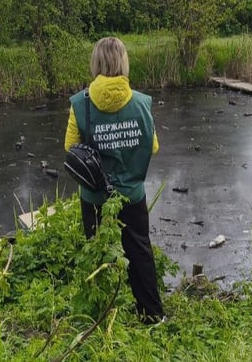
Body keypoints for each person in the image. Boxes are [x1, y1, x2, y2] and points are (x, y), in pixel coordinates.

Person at [64, 36, 165, 324]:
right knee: (140, 253)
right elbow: (153, 146)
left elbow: (70, 148)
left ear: (95, 63)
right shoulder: (142, 103)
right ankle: (151, 315)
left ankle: (100, 315)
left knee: (97, 254)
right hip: (132, 195)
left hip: (95, 197)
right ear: (124, 62)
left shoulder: (80, 104)